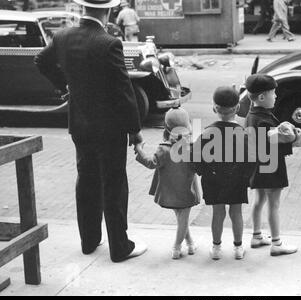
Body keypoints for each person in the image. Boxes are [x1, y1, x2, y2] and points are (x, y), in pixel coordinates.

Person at [35, 0, 147, 263]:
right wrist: (135, 130)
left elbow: (41, 60)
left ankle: (89, 240)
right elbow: (124, 91)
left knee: (86, 180)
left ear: (82, 9)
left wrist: (64, 86)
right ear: (107, 11)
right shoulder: (108, 43)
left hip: (80, 123)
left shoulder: (62, 37)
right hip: (110, 127)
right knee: (114, 184)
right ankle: (120, 246)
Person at [245, 74, 301, 256]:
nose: (276, 96)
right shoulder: (264, 120)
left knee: (259, 200)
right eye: (273, 93)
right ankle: (277, 244)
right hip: (271, 168)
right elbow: (272, 144)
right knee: (274, 204)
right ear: (262, 97)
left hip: (257, 166)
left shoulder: (252, 115)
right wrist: (295, 141)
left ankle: (256, 236)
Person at [193, 87, 255, 261]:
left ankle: (216, 247)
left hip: (213, 180)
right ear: (237, 108)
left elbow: (196, 158)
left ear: (214, 108)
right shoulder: (244, 135)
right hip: (237, 179)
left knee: (217, 213)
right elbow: (252, 159)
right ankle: (238, 247)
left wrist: (204, 173)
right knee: (236, 213)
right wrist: (245, 178)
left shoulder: (206, 133)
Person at [135, 108, 201, 260]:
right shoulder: (191, 149)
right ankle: (176, 248)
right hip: (187, 192)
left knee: (181, 219)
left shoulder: (163, 149)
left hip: (170, 193)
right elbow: (200, 167)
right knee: (183, 219)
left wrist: (139, 149)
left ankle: (190, 243)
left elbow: (150, 163)